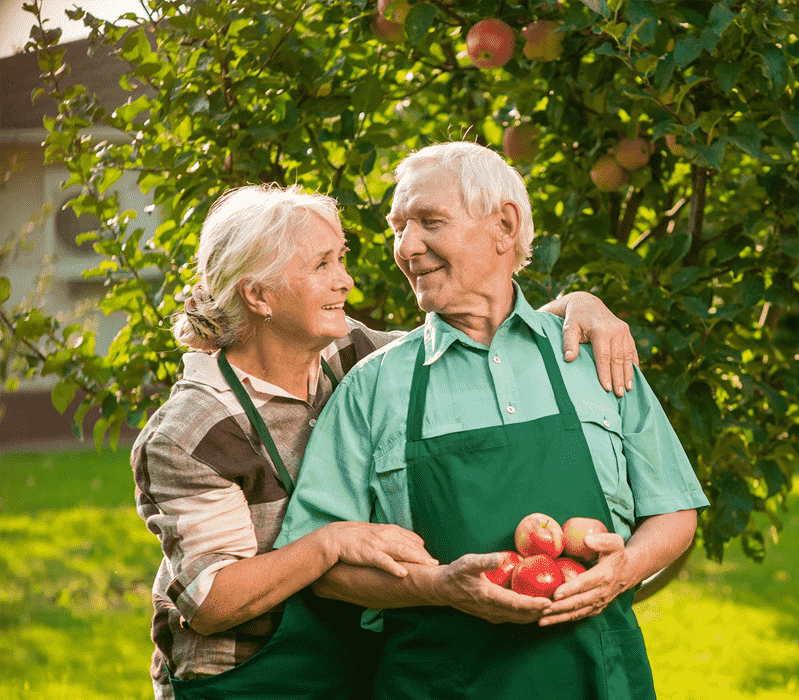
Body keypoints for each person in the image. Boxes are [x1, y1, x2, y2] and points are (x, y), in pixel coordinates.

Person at [130, 182, 640, 700]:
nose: (345, 282)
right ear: (258, 296)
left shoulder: (350, 354)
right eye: (322, 266)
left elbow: (470, 336)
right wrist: (332, 541)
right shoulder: (191, 433)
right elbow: (212, 602)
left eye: (341, 260)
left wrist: (578, 306)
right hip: (246, 677)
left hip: (351, 661)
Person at [278, 142, 711, 700]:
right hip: (437, 683)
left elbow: (673, 509)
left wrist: (621, 573)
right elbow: (321, 564)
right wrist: (437, 587)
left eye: (429, 221)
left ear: (503, 226)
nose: (407, 247)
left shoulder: (594, 356)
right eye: (397, 227)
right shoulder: (374, 386)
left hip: (596, 680)